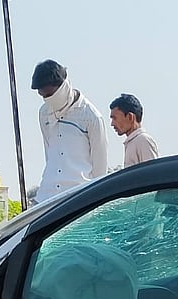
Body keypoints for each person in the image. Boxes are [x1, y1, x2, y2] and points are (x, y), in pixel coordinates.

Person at [30, 59, 107, 202]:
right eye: (43, 96)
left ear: (62, 86)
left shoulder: (91, 116)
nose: (47, 100)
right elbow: (49, 152)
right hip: (46, 197)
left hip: (78, 197)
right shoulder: (44, 113)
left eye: (49, 94)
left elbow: (100, 168)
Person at [109, 93, 160, 168]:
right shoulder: (133, 142)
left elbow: (153, 175)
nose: (112, 124)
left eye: (115, 118)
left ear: (130, 117)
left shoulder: (143, 140)